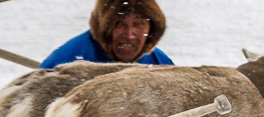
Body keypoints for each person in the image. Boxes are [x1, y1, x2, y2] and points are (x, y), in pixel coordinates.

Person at [41, 0, 172, 69]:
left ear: (151, 29)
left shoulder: (162, 65)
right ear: (104, 28)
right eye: (119, 24)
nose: (129, 34)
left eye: (138, 24)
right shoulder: (63, 62)